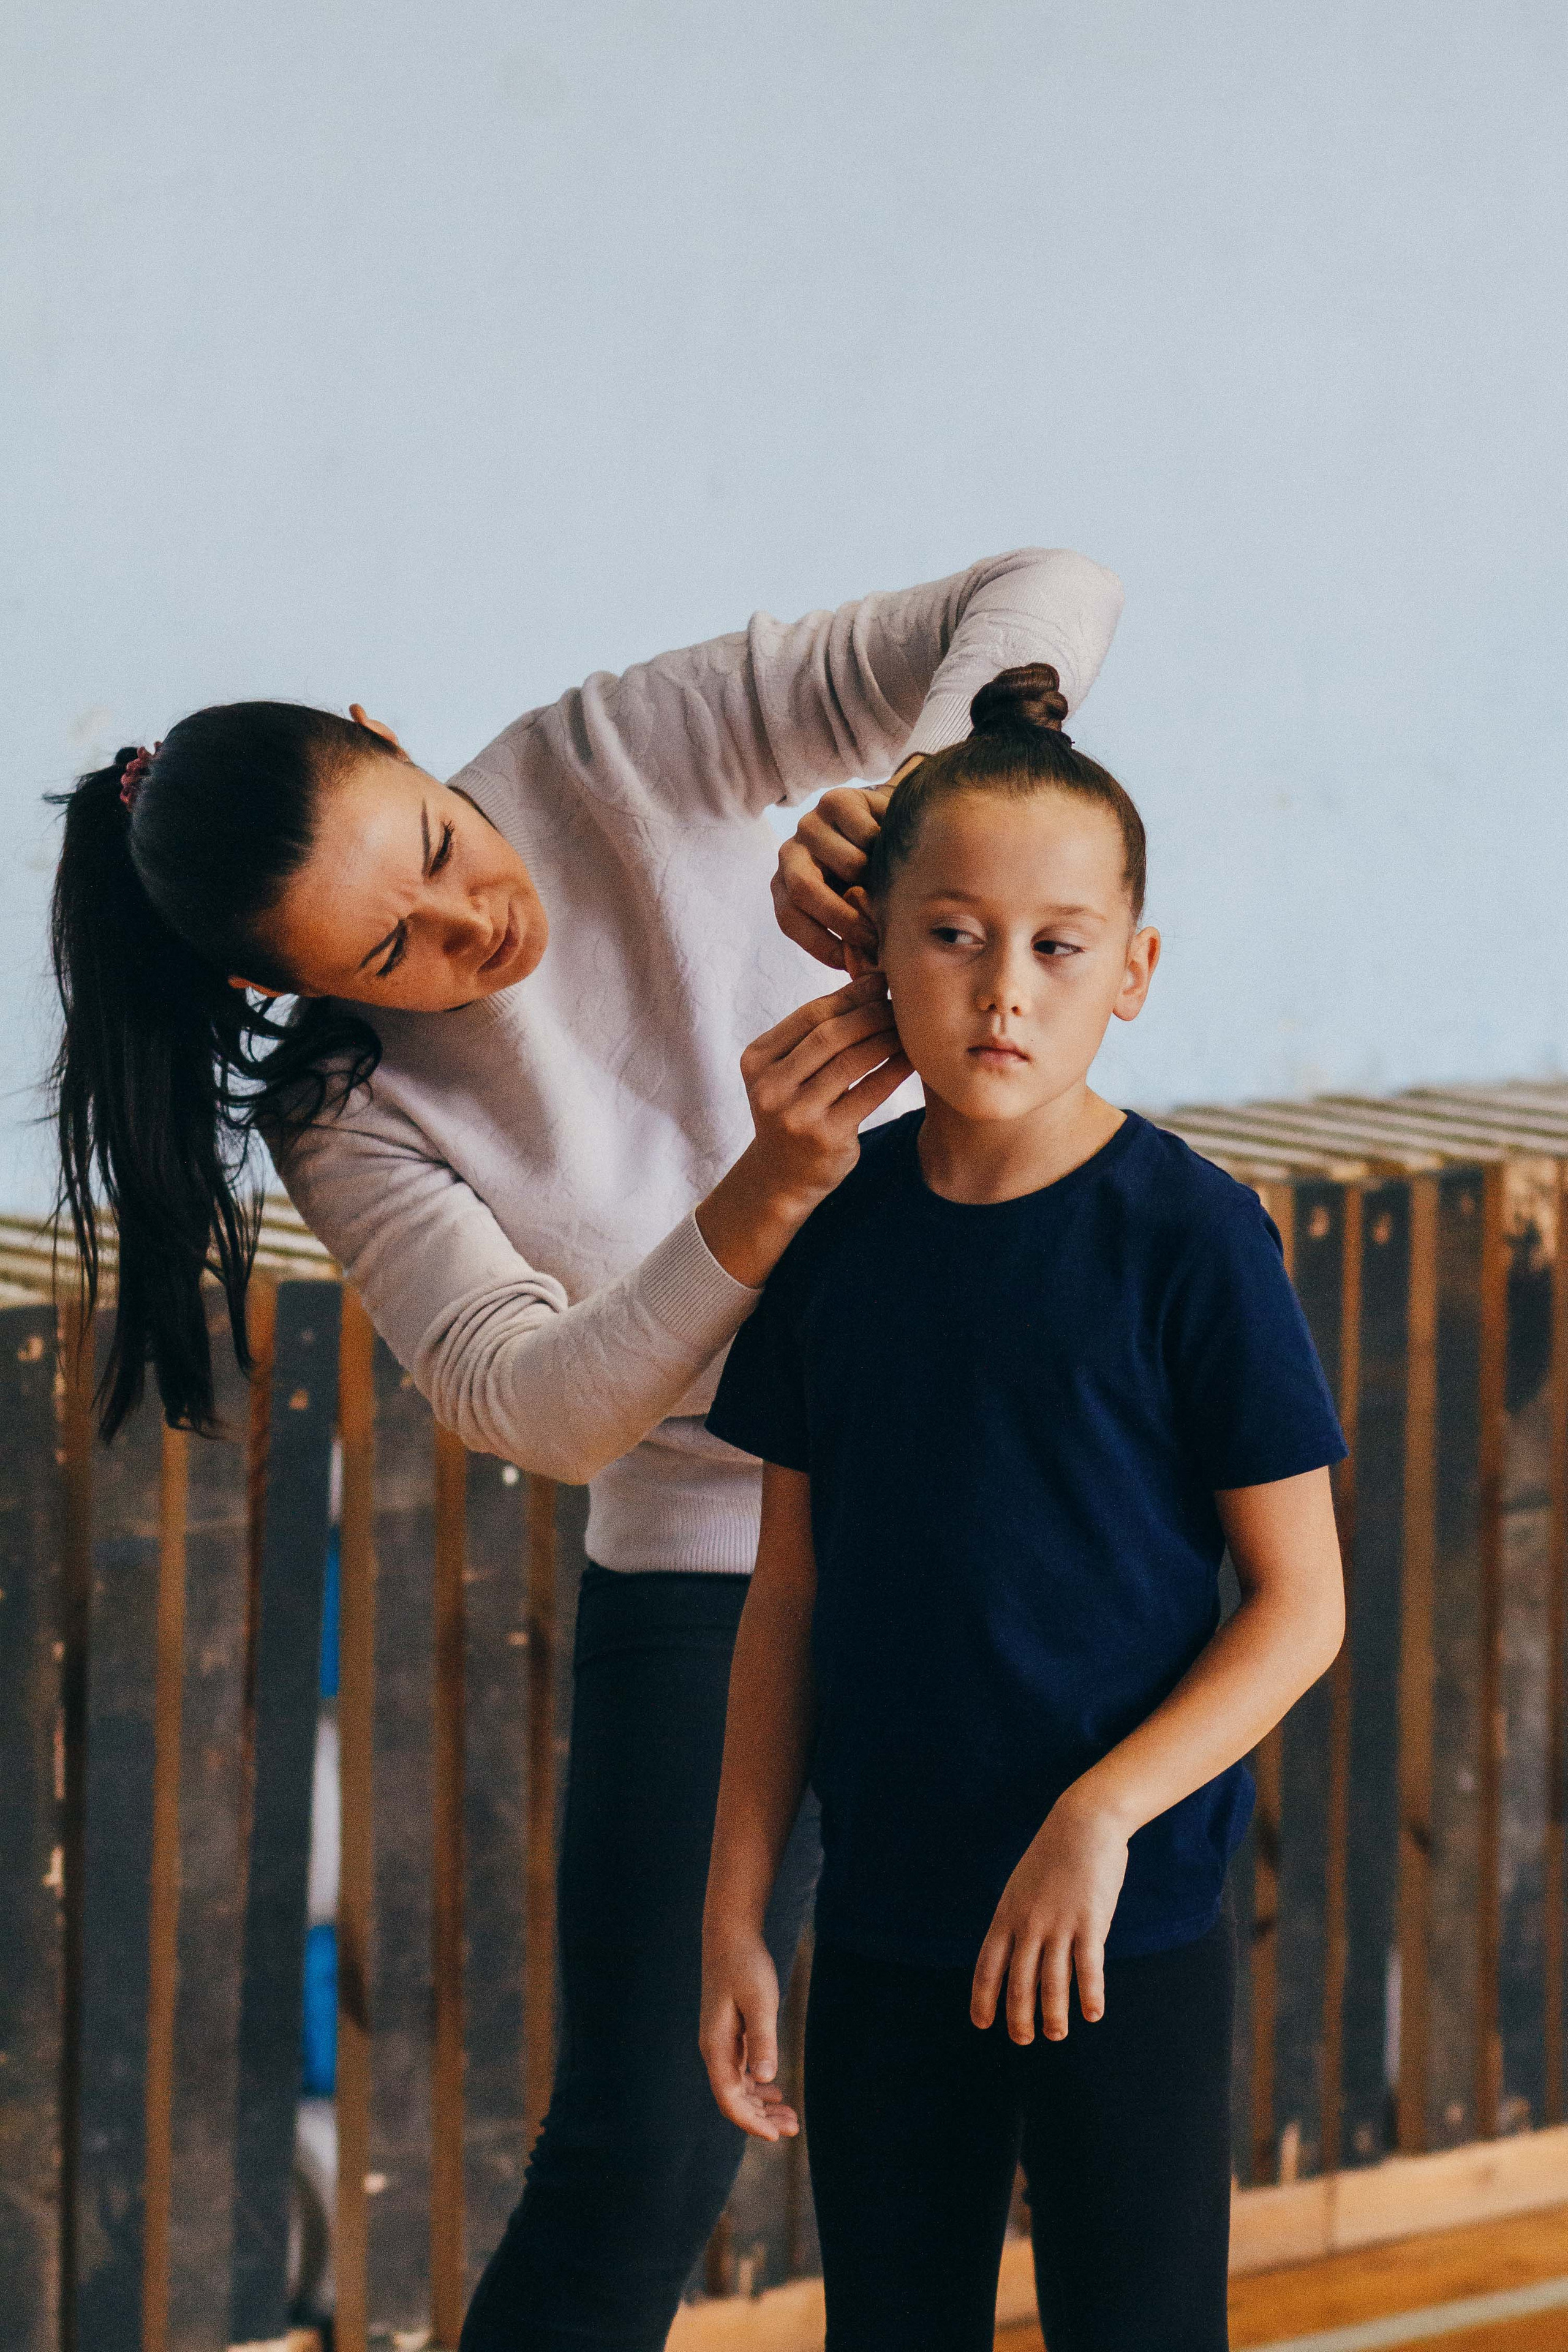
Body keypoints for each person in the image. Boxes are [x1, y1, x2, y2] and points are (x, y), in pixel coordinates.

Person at [47, 553, 1125, 2349]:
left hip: (998, 1502)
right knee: (643, 2150)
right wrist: (768, 1189)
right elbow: (533, 1405)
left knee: (1047, 2095)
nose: (480, 926)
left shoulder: (620, 754)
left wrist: (924, 813)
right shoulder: (352, 1113)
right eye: (393, 949)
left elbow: (1045, 588)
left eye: (440, 845)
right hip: (706, 1553)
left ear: (396, 741)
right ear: (270, 992)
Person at [699, 666, 1348, 2352]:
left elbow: (1303, 1604)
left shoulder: (1193, 1240)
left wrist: (1102, 1817)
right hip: (893, 1929)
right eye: (953, 934)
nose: (1004, 988)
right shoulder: (832, 1241)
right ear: (875, 957)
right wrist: (741, 1910)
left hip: (1122, 1929)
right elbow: (788, 1598)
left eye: (1059, 946)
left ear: (1132, 974)